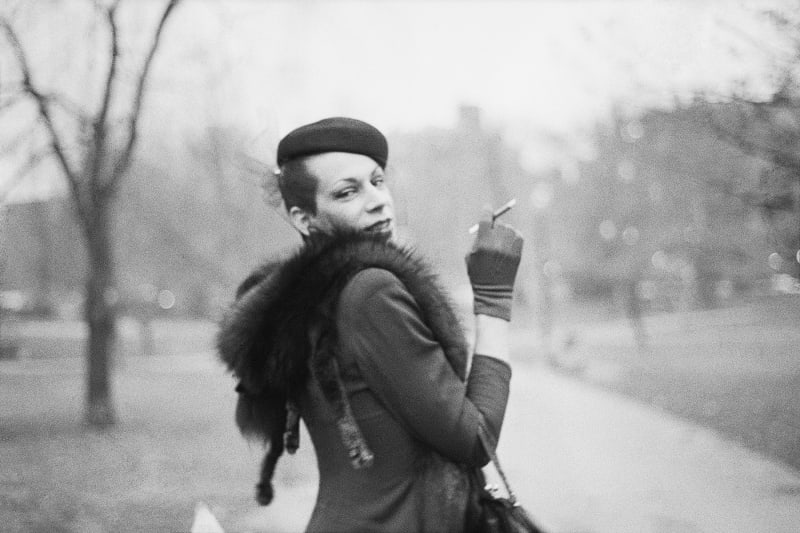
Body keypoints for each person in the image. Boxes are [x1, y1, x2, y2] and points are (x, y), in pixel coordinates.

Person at [217, 117, 524, 532]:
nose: (378, 201)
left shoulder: (315, 296)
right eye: (348, 192)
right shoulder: (369, 292)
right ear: (304, 219)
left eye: (378, 181)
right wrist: (493, 299)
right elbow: (474, 439)